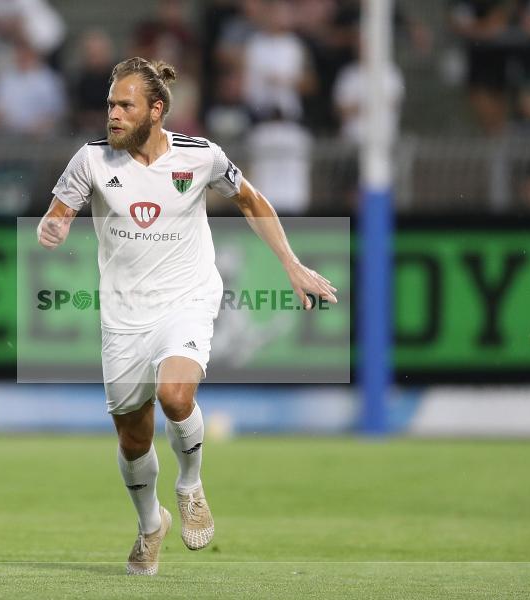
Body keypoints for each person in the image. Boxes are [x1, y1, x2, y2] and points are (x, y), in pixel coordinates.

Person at [36, 57, 337, 576]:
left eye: (124, 105)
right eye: (110, 104)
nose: (113, 114)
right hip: (124, 314)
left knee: (177, 395)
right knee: (132, 436)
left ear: (156, 110)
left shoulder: (200, 157)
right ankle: (151, 524)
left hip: (189, 298)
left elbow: (251, 200)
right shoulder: (90, 160)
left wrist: (291, 263)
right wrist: (54, 227)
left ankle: (190, 484)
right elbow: (59, 210)